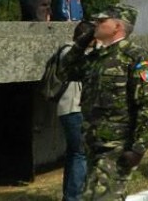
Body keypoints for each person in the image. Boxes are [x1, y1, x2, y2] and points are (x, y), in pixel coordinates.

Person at [58, 4, 148, 199]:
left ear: (117, 27)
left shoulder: (135, 57)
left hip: (116, 147)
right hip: (92, 143)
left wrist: (138, 149)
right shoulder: (96, 57)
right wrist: (82, 42)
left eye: (101, 21)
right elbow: (65, 71)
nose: (95, 24)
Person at [58, 21, 89, 201]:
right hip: (73, 108)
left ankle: (69, 195)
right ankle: (74, 196)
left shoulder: (68, 50)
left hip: (70, 108)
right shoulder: (70, 51)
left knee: (73, 153)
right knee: (80, 154)